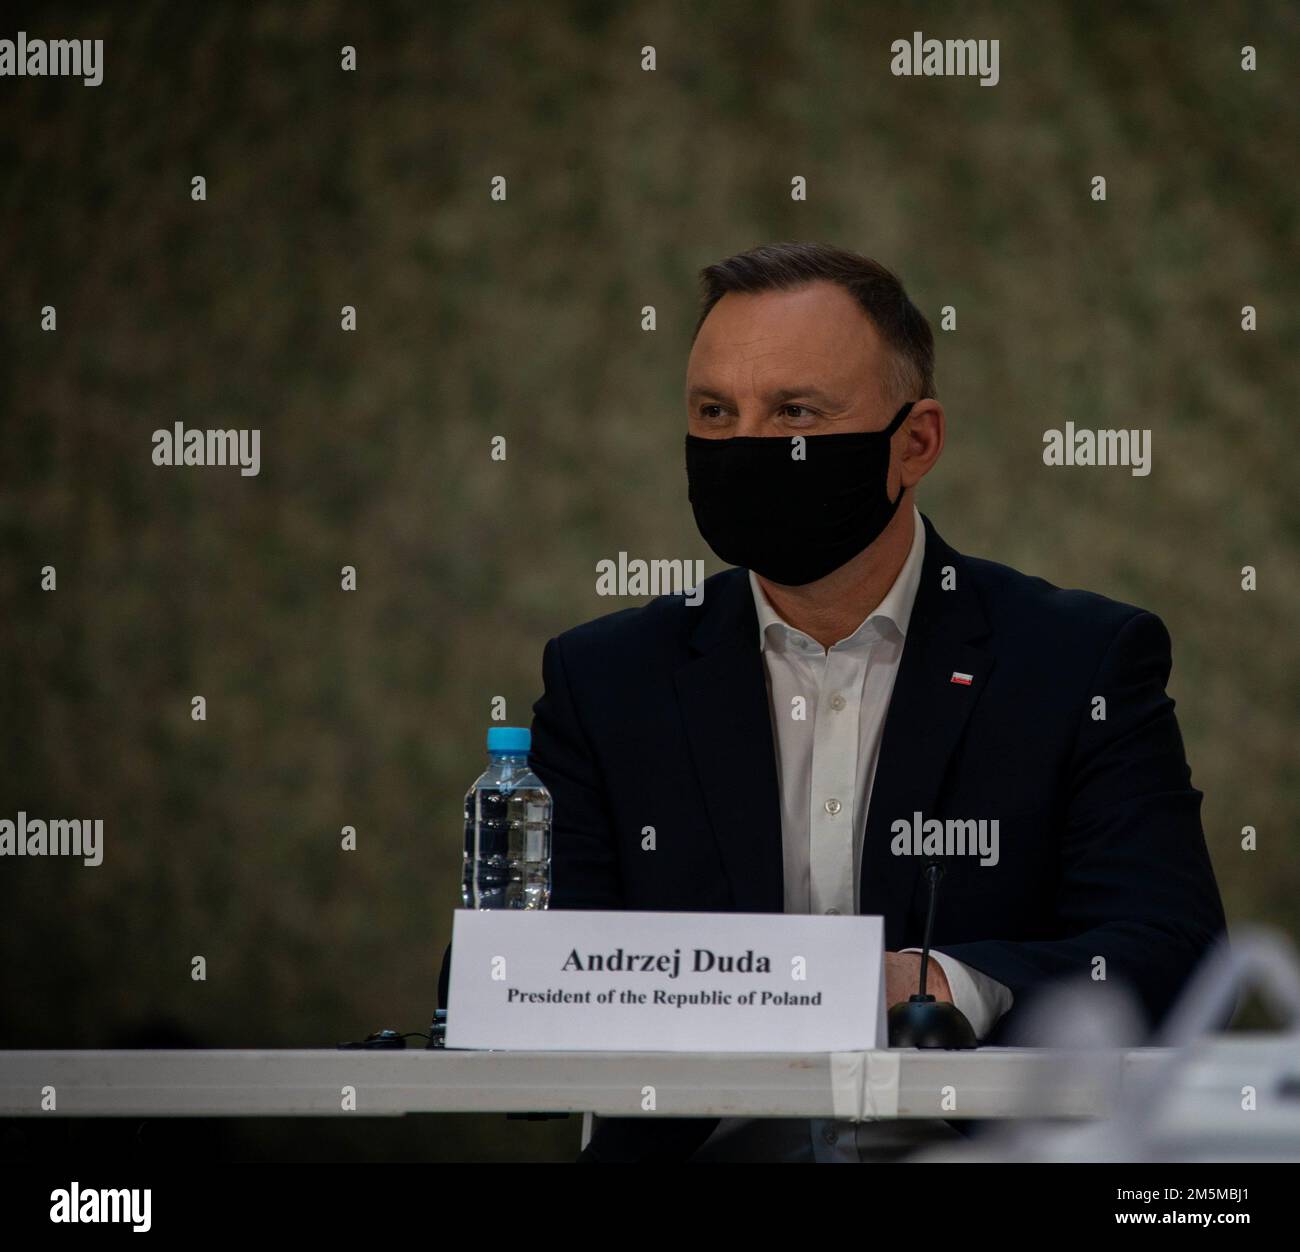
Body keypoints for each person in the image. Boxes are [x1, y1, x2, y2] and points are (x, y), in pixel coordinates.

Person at [444, 241, 1227, 1162]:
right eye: (713, 412)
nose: (745, 447)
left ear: (916, 442)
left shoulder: (1077, 662)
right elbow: (497, 981)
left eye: (796, 413)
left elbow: (1169, 954)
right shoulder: (608, 678)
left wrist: (941, 985)